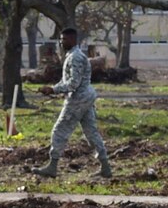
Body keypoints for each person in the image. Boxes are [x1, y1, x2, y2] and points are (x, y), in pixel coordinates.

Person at [32, 26, 112, 179]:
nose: (61, 43)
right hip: (85, 98)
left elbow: (73, 84)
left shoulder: (75, 57)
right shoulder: (72, 56)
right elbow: (66, 81)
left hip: (78, 99)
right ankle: (105, 167)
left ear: (73, 39)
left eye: (64, 40)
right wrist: (52, 89)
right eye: (61, 40)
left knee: (59, 130)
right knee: (91, 133)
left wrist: (53, 90)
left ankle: (52, 166)